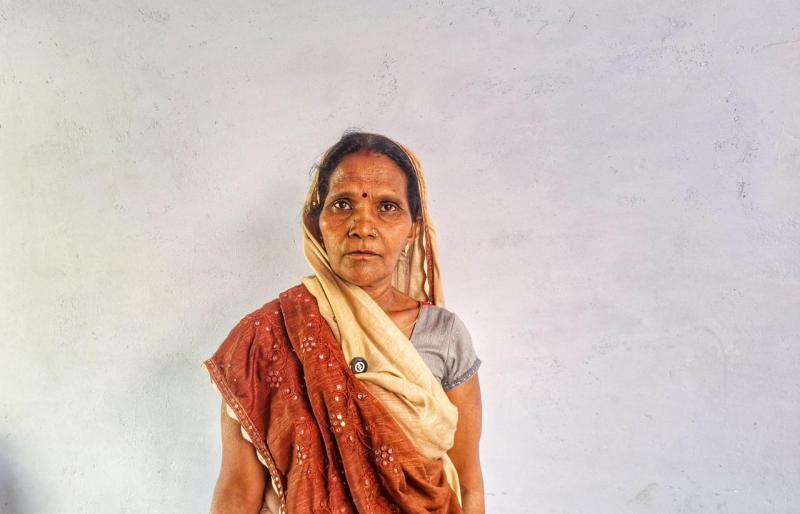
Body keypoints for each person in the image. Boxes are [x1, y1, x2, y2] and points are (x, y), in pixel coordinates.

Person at [203, 131, 484, 513]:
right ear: (316, 221)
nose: (362, 226)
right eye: (342, 204)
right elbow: (238, 492)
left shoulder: (444, 335)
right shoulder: (264, 337)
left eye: (387, 207)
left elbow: (467, 483)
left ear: (413, 229)